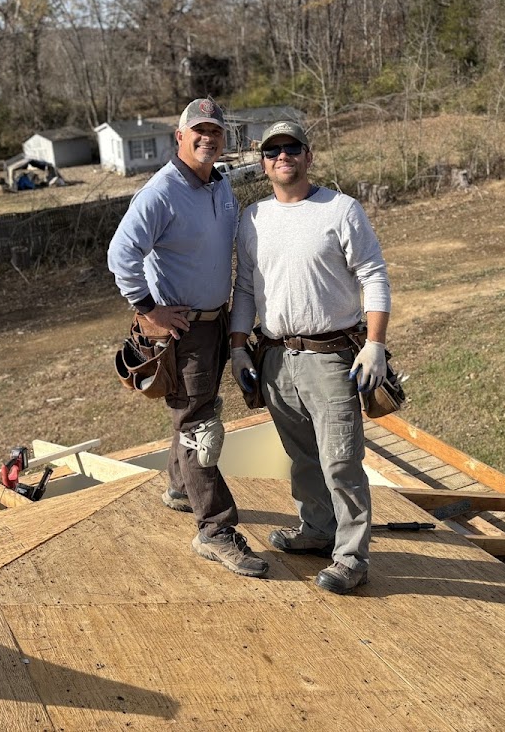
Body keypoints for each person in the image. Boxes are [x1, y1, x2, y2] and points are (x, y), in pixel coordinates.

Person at [107, 97, 268, 578]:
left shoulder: (219, 186)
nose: (207, 138)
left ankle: (180, 488)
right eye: (198, 131)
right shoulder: (160, 193)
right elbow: (121, 255)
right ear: (179, 137)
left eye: (215, 132)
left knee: (194, 414)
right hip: (181, 330)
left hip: (214, 322)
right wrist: (149, 307)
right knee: (202, 429)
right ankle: (215, 530)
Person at [229, 120, 391, 594]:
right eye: (273, 150)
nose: (283, 156)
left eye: (292, 148)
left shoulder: (340, 209)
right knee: (302, 459)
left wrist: (375, 344)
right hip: (276, 357)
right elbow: (243, 288)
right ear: (262, 163)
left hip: (331, 357)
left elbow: (374, 276)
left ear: (308, 156)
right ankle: (318, 531)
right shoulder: (252, 218)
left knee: (341, 461)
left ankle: (352, 558)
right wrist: (239, 347)